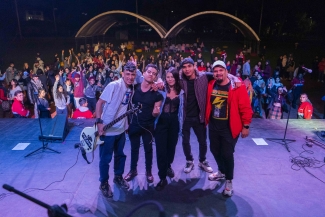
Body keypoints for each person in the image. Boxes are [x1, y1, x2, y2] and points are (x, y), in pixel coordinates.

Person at [179, 58, 241, 174]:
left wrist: (235, 78)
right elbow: (168, 78)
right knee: (185, 141)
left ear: (194, 66)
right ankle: (189, 160)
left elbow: (220, 74)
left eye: (189, 66)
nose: (187, 69)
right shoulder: (180, 79)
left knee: (203, 141)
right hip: (186, 117)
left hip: (200, 117)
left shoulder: (204, 76)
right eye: (184, 67)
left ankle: (202, 160)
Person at [205, 60, 252, 197]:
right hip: (213, 126)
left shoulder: (237, 86)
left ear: (227, 71)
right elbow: (199, 74)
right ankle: (221, 172)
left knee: (227, 154)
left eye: (221, 70)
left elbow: (245, 107)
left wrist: (246, 126)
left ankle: (229, 181)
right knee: (214, 150)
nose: (218, 73)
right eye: (215, 71)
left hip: (229, 128)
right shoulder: (211, 83)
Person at [95, 61, 137, 198]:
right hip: (107, 131)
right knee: (105, 159)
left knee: (120, 156)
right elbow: (99, 103)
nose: (130, 77)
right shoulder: (113, 85)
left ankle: (118, 176)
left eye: (133, 74)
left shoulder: (132, 88)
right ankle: (104, 183)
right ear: (123, 73)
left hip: (120, 130)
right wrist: (99, 122)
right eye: (128, 74)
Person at [124, 64, 163, 183]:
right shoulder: (134, 88)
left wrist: (157, 112)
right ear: (144, 73)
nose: (151, 74)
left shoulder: (157, 94)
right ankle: (133, 170)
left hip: (148, 127)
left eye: (154, 73)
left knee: (148, 149)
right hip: (134, 124)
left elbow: (156, 112)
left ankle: (149, 172)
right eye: (149, 72)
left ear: (156, 77)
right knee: (134, 149)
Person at [154, 67, 184, 191]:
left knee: (171, 149)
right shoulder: (161, 88)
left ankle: (168, 166)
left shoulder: (182, 91)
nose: (170, 79)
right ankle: (162, 177)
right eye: (168, 77)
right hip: (161, 123)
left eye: (172, 77)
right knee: (161, 151)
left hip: (174, 124)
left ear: (176, 77)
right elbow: (144, 80)